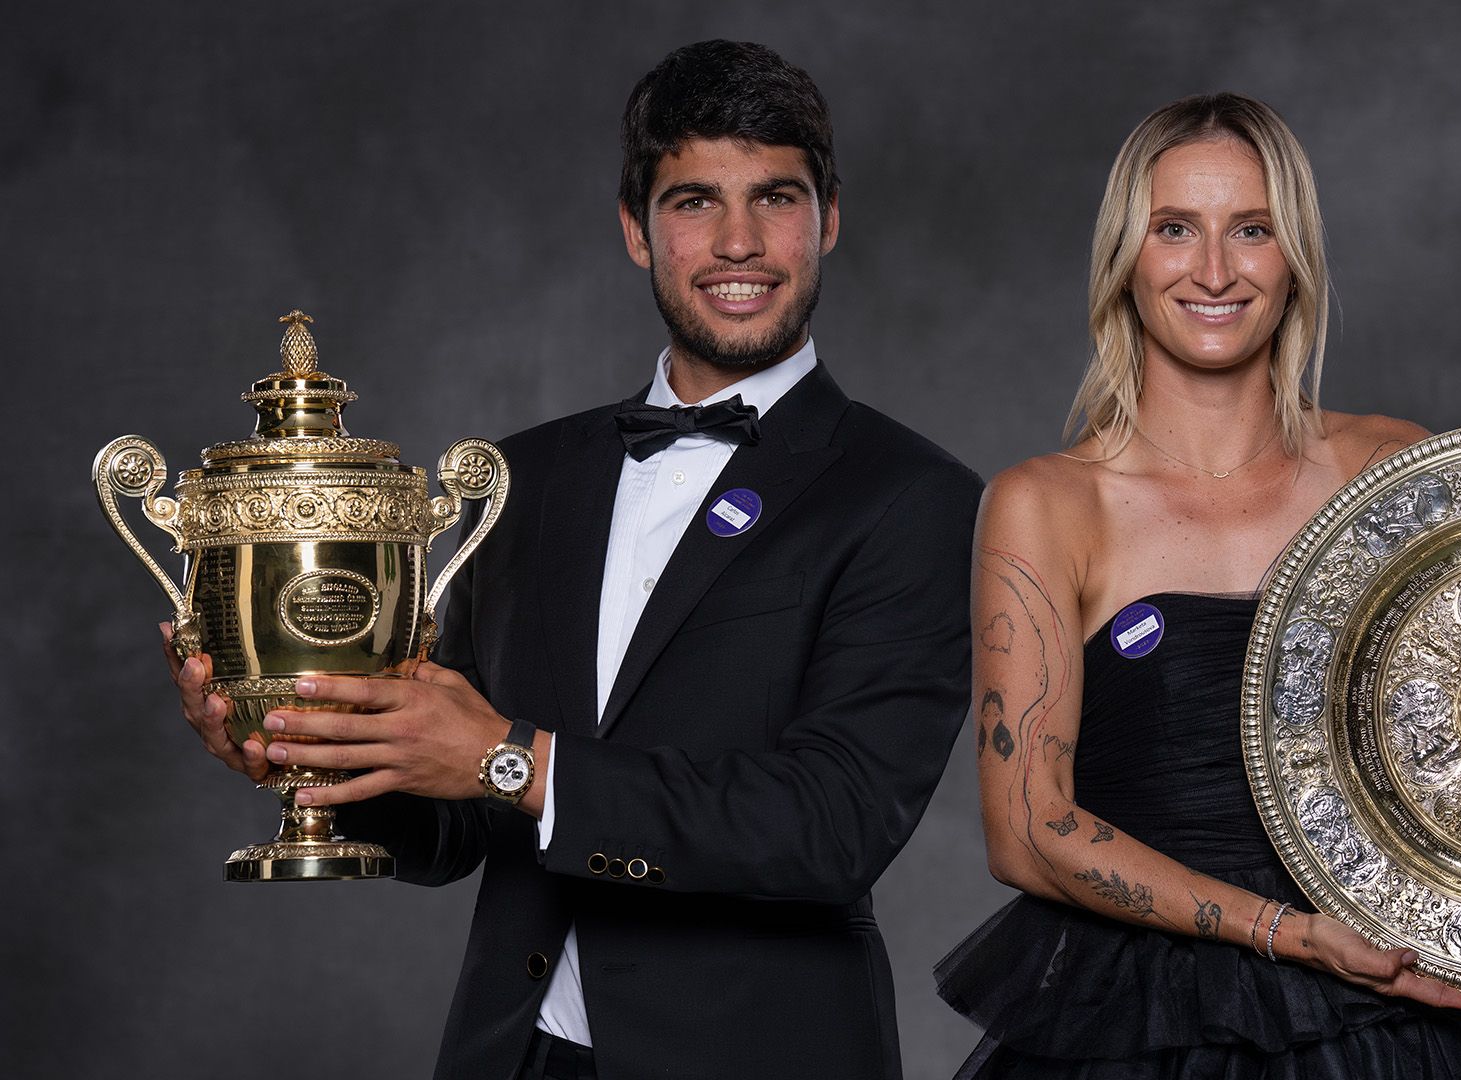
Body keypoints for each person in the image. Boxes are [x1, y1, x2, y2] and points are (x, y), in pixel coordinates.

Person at [169, 39, 981, 1080]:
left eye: (775, 198)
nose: (740, 242)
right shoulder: (519, 479)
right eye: (694, 202)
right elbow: (455, 825)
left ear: (828, 217)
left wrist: (513, 758)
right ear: (637, 230)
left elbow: (831, 828)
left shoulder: (912, 496)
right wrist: (309, 754)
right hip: (517, 1055)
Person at [936, 93, 1461, 1078]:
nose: (1214, 271)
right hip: (1150, 1026)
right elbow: (1031, 833)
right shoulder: (1047, 505)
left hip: (1406, 1024)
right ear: (1126, 257)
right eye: (1175, 230)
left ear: (1293, 258)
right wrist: (1291, 934)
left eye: (1251, 230)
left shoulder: (1394, 466)